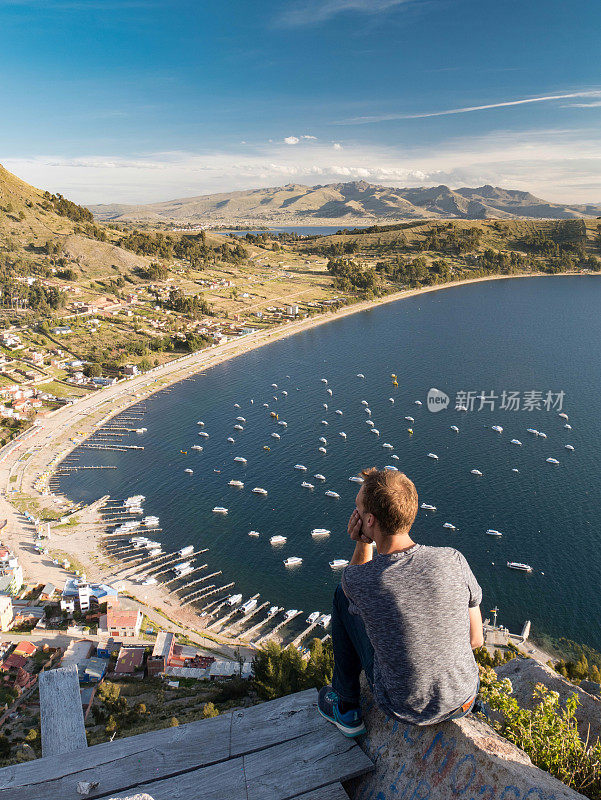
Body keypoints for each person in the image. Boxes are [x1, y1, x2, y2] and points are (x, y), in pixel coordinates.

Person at [318, 467, 484, 737]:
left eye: (357, 508)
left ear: (369, 520)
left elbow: (354, 590)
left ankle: (346, 706)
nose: (355, 513)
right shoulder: (453, 559)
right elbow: (475, 640)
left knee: (340, 595)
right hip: (464, 699)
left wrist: (363, 544)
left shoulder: (359, 580)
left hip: (403, 708)